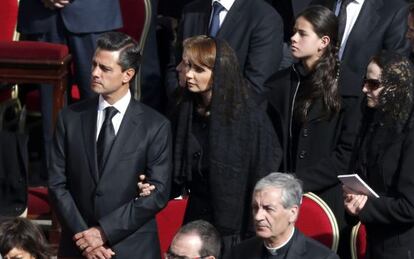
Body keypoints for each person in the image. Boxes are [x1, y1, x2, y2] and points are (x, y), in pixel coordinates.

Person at [48, 31, 172, 258]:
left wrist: (103, 232)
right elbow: (57, 184)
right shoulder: (70, 118)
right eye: (94, 64)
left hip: (132, 248)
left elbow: (158, 193)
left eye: (105, 69)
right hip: (78, 246)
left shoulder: (155, 126)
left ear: (128, 74)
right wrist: (86, 238)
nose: (94, 73)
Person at [264, 6, 361, 257]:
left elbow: (346, 154)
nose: (293, 38)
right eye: (293, 32)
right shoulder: (280, 84)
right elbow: (269, 141)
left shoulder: (348, 88)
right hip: (283, 197)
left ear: (323, 41)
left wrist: (301, 182)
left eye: (302, 34)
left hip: (327, 200)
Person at [344, 51, 414, 259]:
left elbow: (410, 206)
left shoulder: (410, 132)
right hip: (376, 243)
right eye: (365, 82)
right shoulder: (374, 122)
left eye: (374, 84)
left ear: (395, 87)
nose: (365, 89)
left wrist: (365, 205)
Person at [165, 0, 284, 96]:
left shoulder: (263, 17)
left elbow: (257, 84)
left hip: (234, 119)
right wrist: (181, 102)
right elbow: (175, 67)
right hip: (188, 116)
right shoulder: (191, 11)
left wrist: (211, 111)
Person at [310, 0, 411, 96]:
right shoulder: (319, 3)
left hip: (359, 104)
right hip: (314, 93)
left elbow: (396, 65)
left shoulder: (394, 9)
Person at [230, 173, 339, 259]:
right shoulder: (238, 253)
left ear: (293, 213)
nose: (258, 217)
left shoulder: (324, 257)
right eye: (255, 208)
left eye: (268, 209)